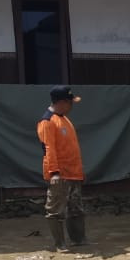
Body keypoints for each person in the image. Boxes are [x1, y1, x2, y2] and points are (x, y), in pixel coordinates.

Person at [38, 85, 88, 250]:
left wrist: (79, 171)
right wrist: (54, 173)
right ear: (61, 102)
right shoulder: (47, 121)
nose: (72, 106)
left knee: (76, 209)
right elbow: (49, 148)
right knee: (55, 210)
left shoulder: (64, 119)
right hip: (60, 175)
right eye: (70, 102)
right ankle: (60, 244)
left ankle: (79, 240)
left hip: (74, 174)